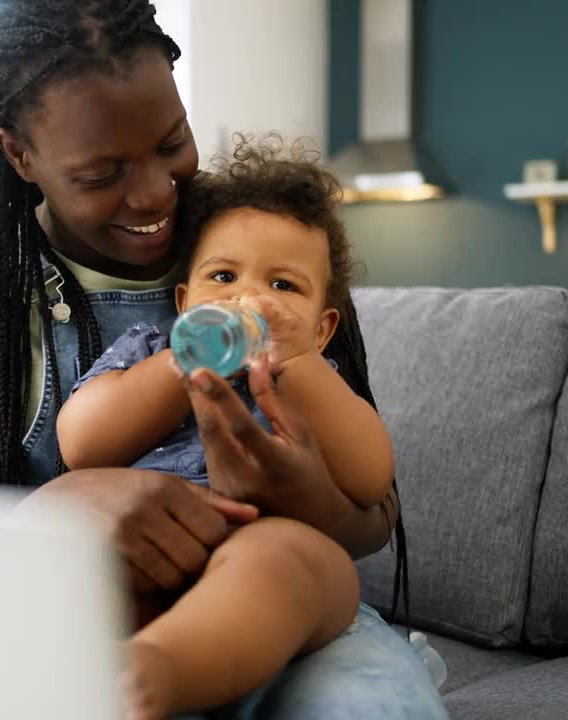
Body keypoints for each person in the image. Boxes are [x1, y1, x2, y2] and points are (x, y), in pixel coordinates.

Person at [0, 2, 446, 718]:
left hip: (275, 592)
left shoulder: (251, 233)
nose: (153, 194)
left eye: (172, 140)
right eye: (100, 173)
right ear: (19, 154)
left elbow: (372, 508)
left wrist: (304, 496)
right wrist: (63, 505)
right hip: (91, 595)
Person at [57, 137, 394, 718]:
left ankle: (157, 671)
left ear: (322, 327)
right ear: (185, 301)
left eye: (283, 286)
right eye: (224, 276)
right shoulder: (149, 350)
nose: (249, 299)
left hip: (263, 550)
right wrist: (182, 359)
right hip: (153, 543)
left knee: (303, 561)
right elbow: (82, 441)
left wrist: (301, 366)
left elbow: (369, 477)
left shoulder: (316, 377)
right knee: (76, 569)